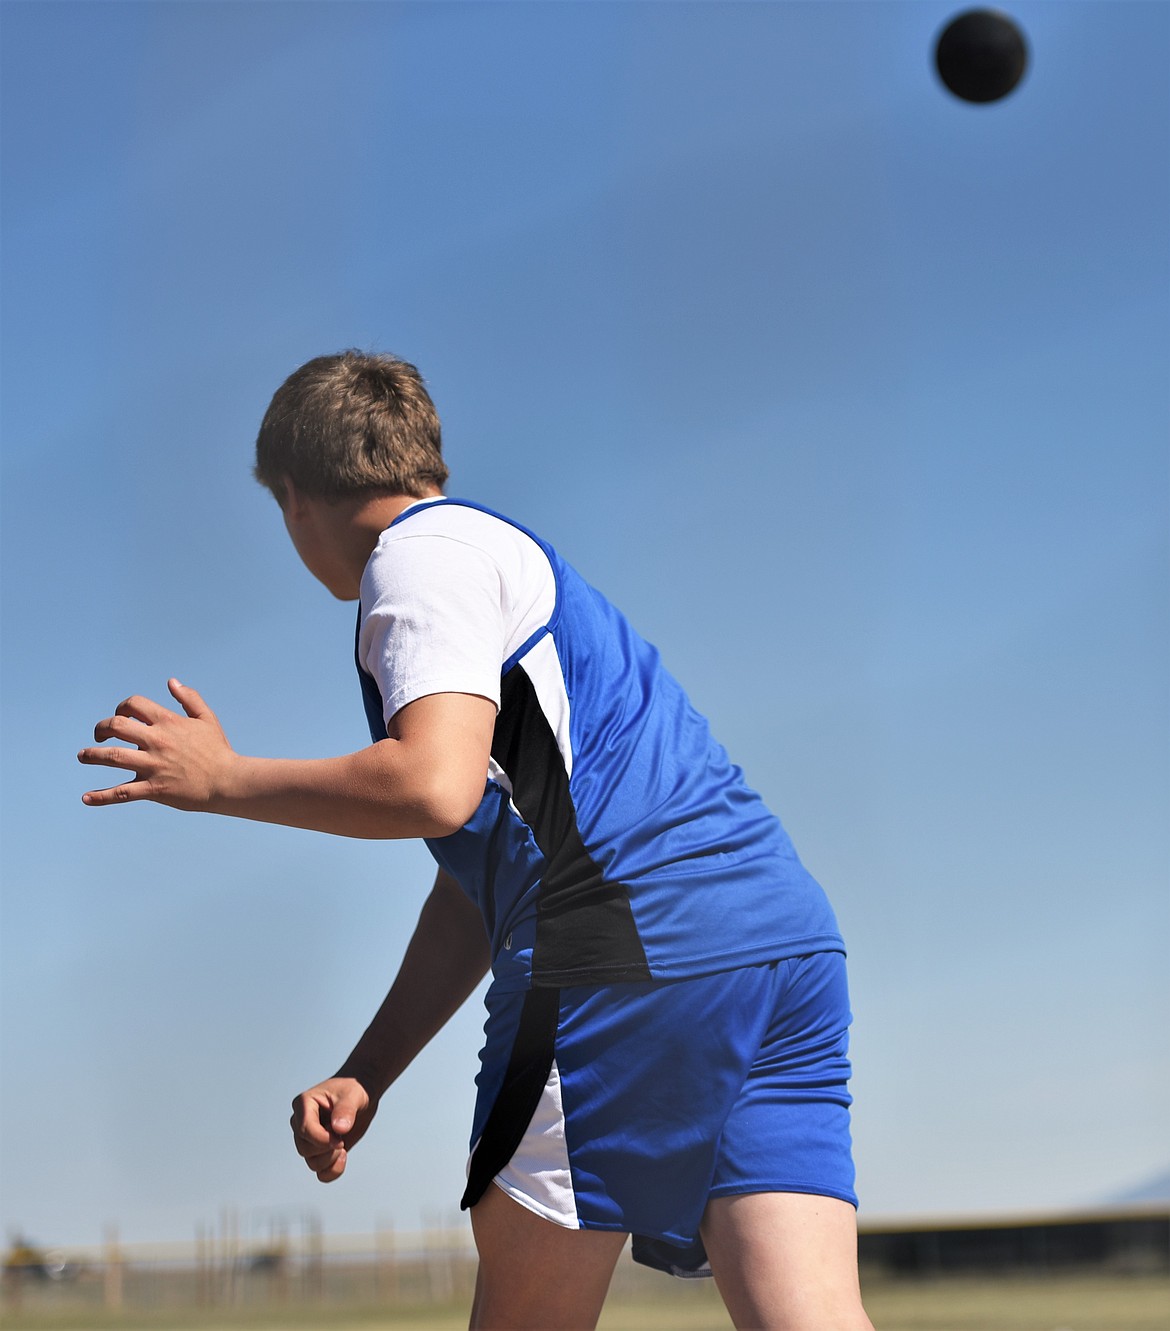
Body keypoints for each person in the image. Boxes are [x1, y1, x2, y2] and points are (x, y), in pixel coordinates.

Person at [78, 352, 873, 1331]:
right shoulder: (496, 565)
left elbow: (431, 784)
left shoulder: (418, 562)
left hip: (618, 950)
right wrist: (368, 1066)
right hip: (778, 945)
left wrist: (226, 778)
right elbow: (476, 880)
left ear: (294, 498)